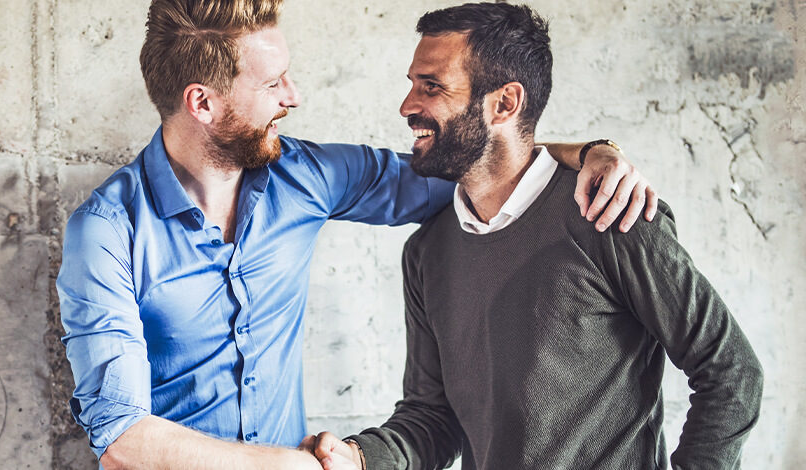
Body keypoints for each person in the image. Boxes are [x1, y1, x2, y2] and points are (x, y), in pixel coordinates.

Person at [57, 1, 660, 468]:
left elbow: (472, 166)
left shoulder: (305, 175)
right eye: (273, 85)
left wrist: (592, 150)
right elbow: (122, 438)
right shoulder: (106, 232)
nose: (293, 96)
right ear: (203, 103)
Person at [305, 3, 763, 469]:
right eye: (412, 84)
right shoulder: (427, 252)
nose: (407, 106)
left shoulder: (609, 216)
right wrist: (359, 458)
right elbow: (433, 418)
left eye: (432, 86)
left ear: (505, 103)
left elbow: (731, 372)